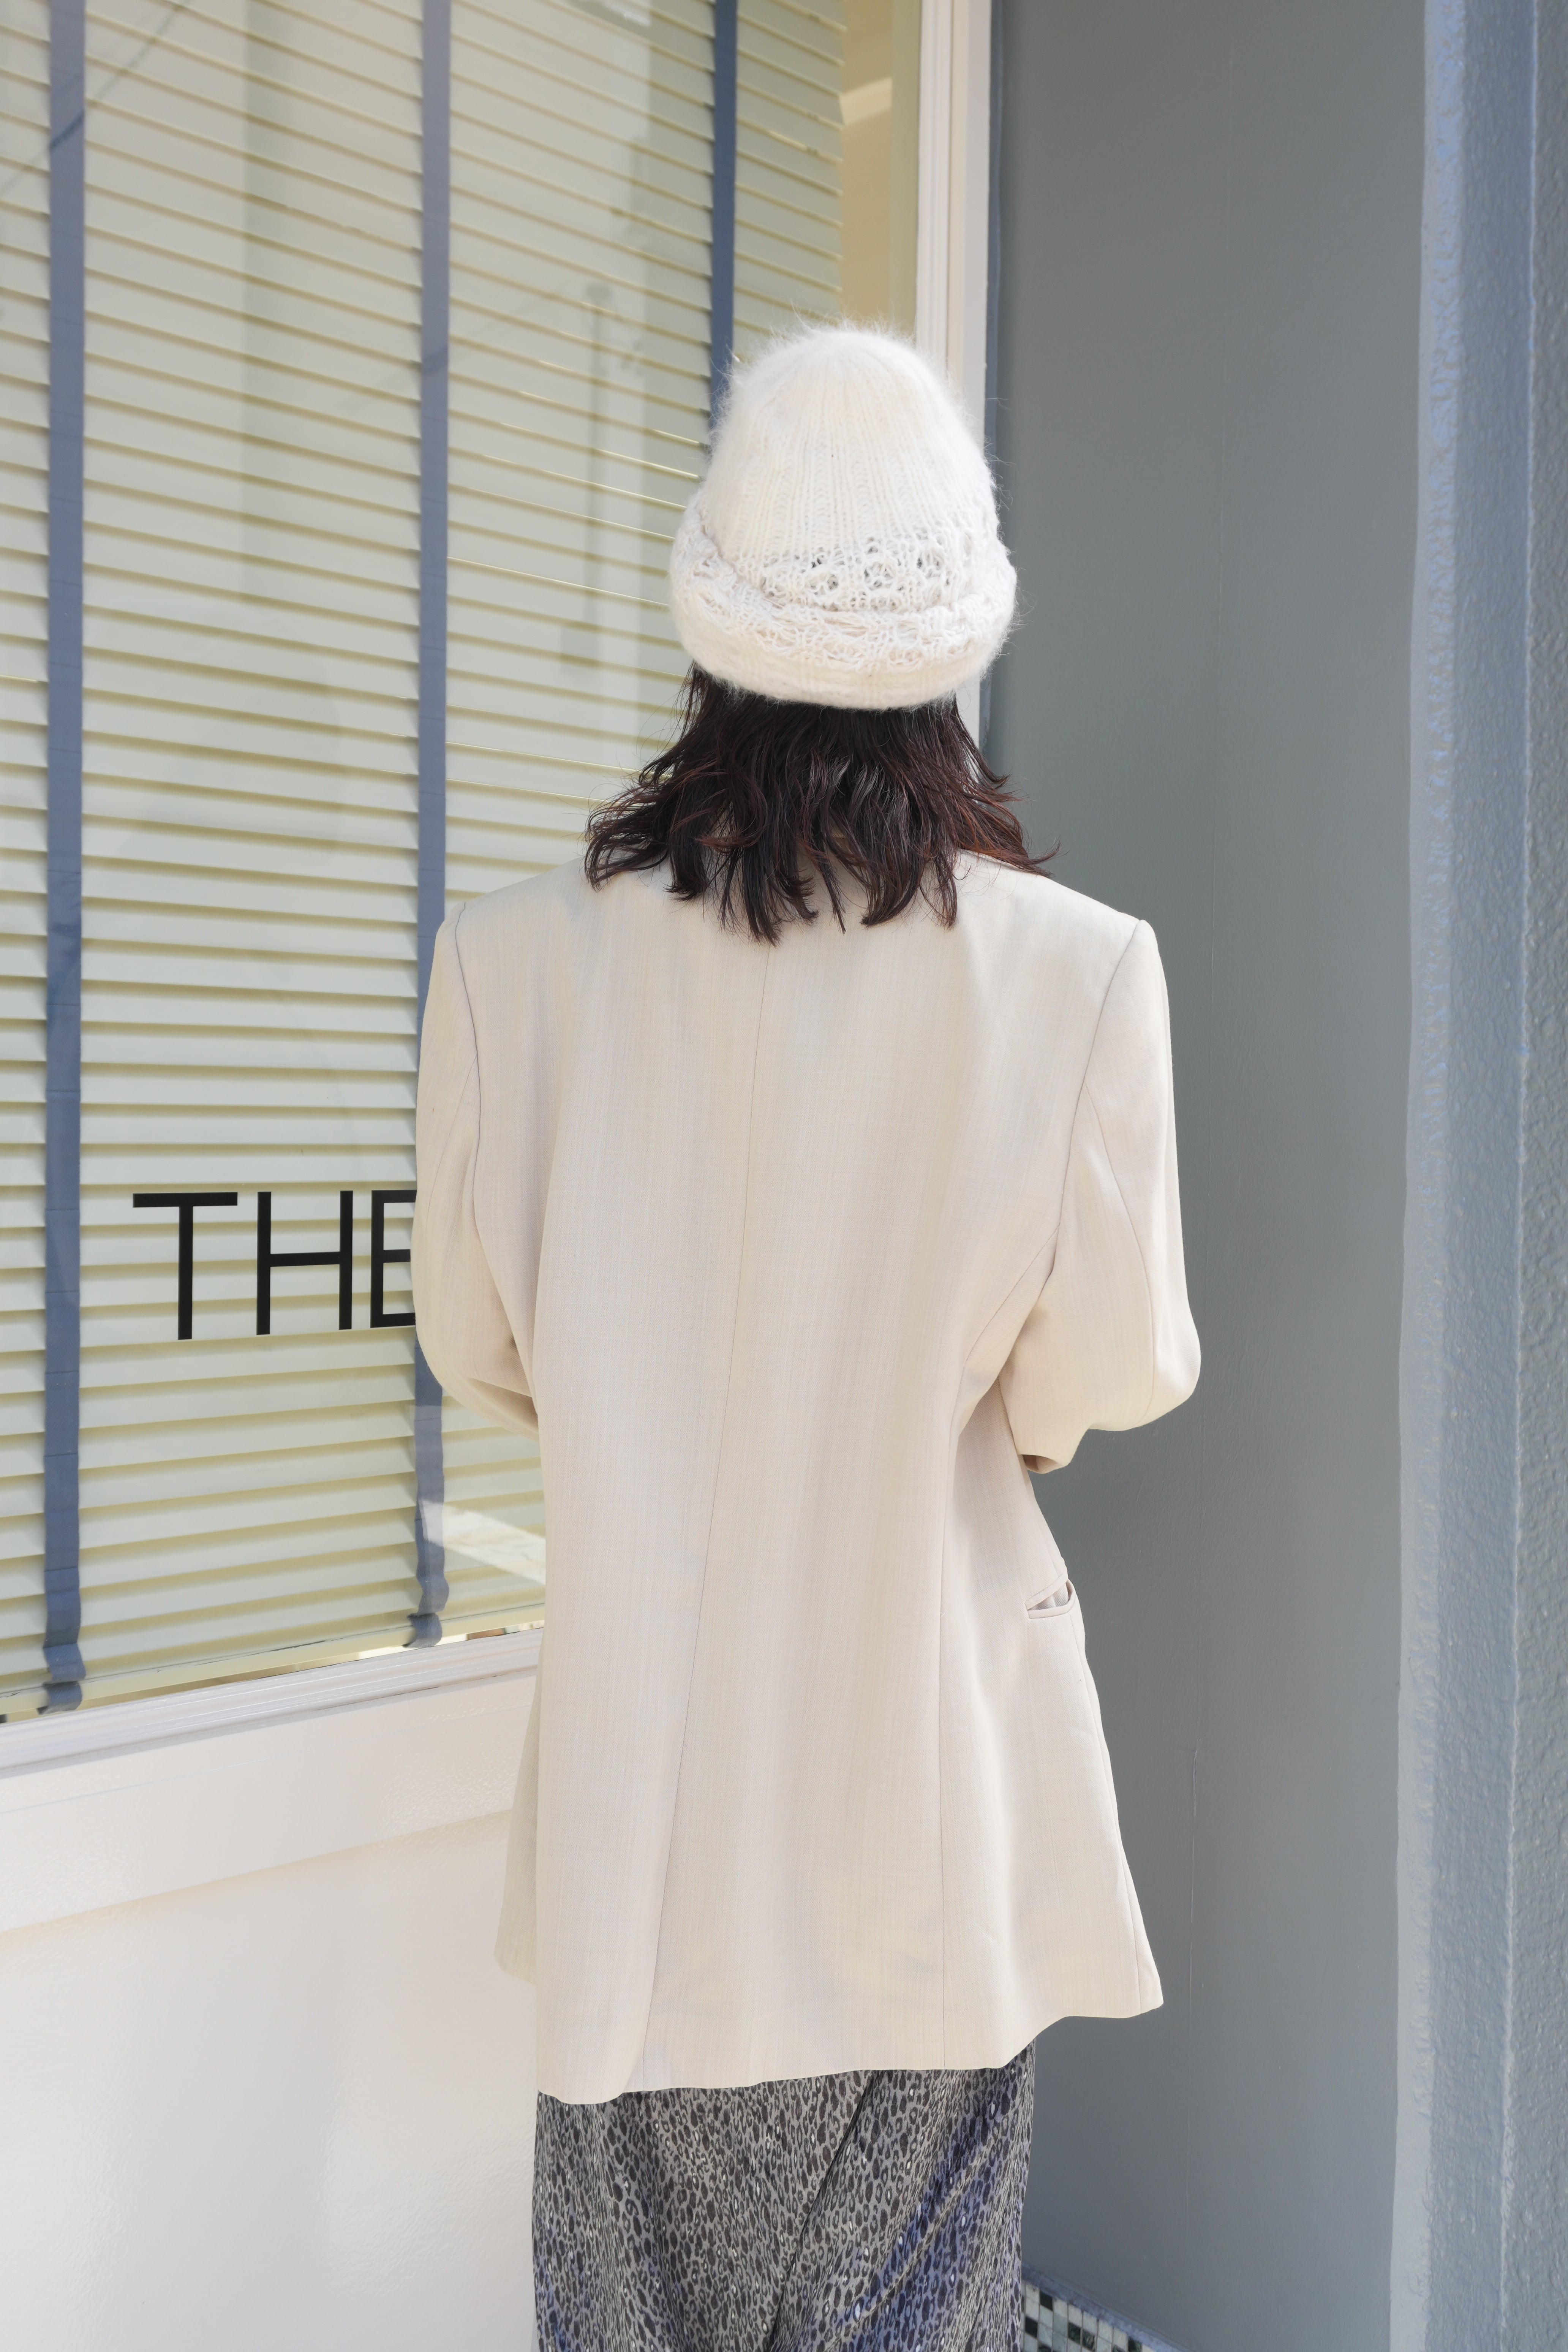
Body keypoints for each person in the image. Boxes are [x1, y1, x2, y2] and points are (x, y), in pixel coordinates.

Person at [412, 326, 1200, 2352]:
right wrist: (967, 1411)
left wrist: (654, 1393)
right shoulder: (1077, 974)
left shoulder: (510, 966)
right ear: (957, 644)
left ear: (711, 622)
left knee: (625, 2318)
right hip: (927, 1792)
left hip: (644, 1818)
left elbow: (482, 1348)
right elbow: (1116, 1367)